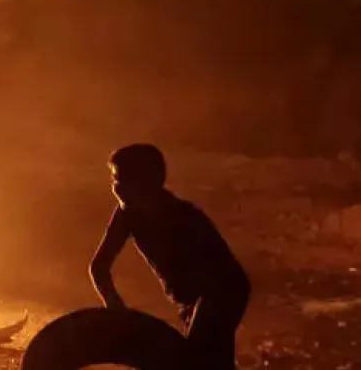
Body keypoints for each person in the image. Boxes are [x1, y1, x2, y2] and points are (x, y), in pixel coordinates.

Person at [91, 144, 252, 370]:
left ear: (147, 183)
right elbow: (99, 267)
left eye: (123, 181)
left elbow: (220, 279)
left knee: (196, 361)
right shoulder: (127, 215)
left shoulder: (185, 217)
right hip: (191, 302)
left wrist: (200, 316)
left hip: (223, 291)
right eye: (114, 180)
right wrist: (116, 308)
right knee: (211, 362)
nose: (117, 189)